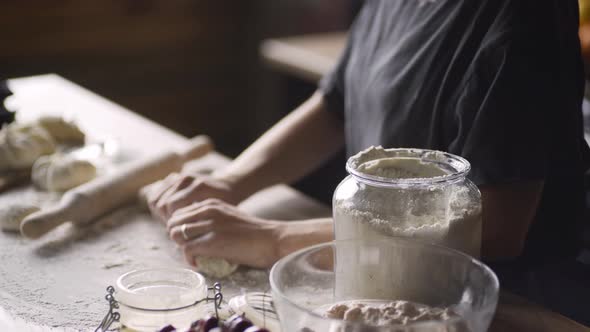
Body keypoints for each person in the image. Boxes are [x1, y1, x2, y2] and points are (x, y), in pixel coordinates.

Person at [147, 0, 590, 324]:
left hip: (502, 301)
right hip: (380, 277)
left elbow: (494, 229)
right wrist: (230, 181)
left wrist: (275, 239)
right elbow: (334, 105)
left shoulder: (524, 21)